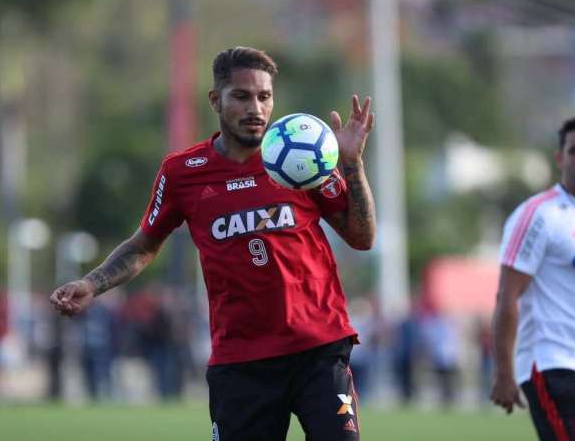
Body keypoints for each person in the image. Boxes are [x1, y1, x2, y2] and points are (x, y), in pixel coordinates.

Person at [50, 46, 375, 440]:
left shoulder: (302, 157)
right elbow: (143, 245)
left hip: (319, 351)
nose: (255, 107)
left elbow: (361, 238)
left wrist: (352, 163)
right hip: (242, 361)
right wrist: (90, 284)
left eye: (264, 96)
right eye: (241, 96)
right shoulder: (182, 172)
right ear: (215, 100)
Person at [491, 117, 575, 440]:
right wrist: (504, 372)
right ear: (560, 158)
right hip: (551, 362)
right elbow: (507, 296)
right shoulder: (537, 215)